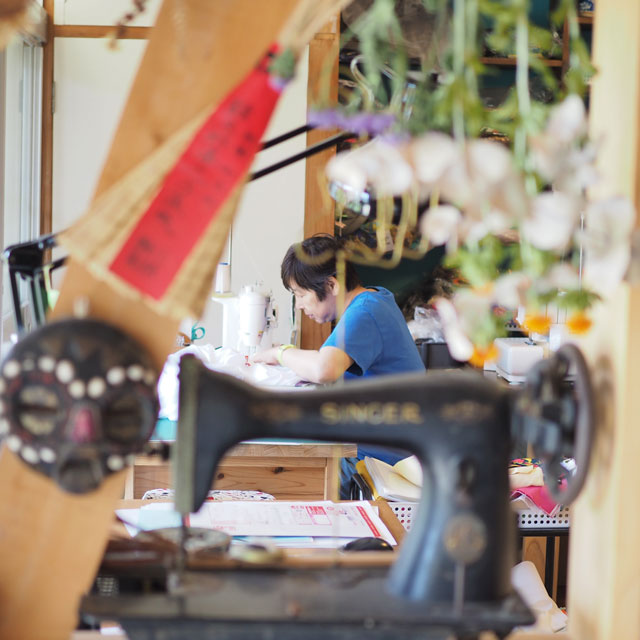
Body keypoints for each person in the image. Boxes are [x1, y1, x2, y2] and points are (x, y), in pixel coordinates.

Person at [252, 234, 426, 495]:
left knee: (280, 480)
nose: (300, 306)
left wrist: (280, 353)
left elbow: (324, 368)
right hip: (381, 446)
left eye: (301, 295)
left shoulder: (365, 311)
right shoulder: (374, 300)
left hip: (378, 459)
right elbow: (324, 357)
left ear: (331, 284)